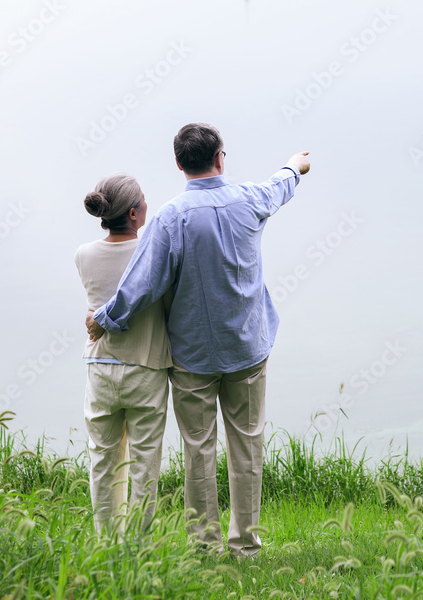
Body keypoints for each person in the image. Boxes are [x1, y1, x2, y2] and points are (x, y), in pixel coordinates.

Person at [86, 123, 310, 557]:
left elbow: (142, 284)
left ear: (178, 163)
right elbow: (279, 185)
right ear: (220, 158)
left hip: (192, 358)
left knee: (198, 451)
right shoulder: (249, 199)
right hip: (248, 349)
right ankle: (245, 545)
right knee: (247, 447)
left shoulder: (170, 218)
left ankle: (205, 546)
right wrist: (295, 166)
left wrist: (104, 319)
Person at [75, 174, 171, 535]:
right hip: (146, 367)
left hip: (99, 366)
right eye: (144, 200)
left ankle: (105, 540)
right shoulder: (153, 254)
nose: (148, 203)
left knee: (102, 458)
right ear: (133, 214)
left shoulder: (83, 254)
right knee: (145, 463)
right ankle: (139, 545)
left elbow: (97, 301)